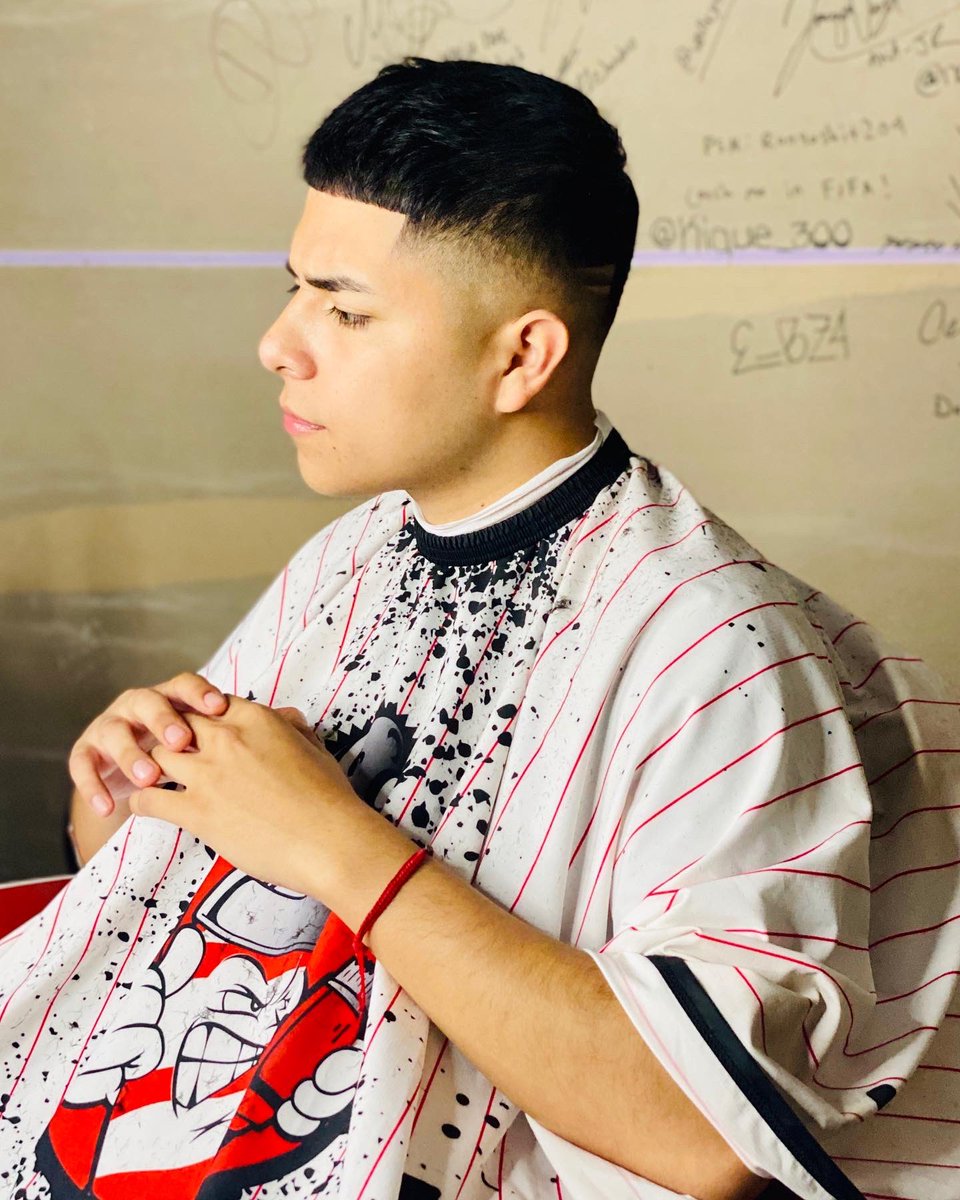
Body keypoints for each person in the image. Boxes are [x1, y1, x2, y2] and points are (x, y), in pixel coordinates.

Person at [3, 55, 959, 1200]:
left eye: (345, 310)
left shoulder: (719, 649)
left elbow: (706, 1136)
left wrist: (334, 841)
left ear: (521, 357)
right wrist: (130, 792)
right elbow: (162, 882)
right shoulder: (352, 556)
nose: (278, 343)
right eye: (295, 289)